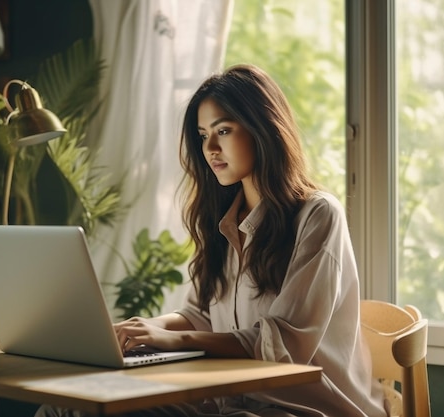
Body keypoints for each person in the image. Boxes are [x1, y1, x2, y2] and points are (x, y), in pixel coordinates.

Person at [35, 64, 387, 417]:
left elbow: (284, 346)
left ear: (263, 130)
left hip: (301, 406)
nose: (211, 148)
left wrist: (174, 341)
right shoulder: (223, 219)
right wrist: (141, 330)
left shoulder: (318, 214)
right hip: (228, 402)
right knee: (63, 409)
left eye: (223, 130)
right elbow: (199, 314)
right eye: (203, 135)